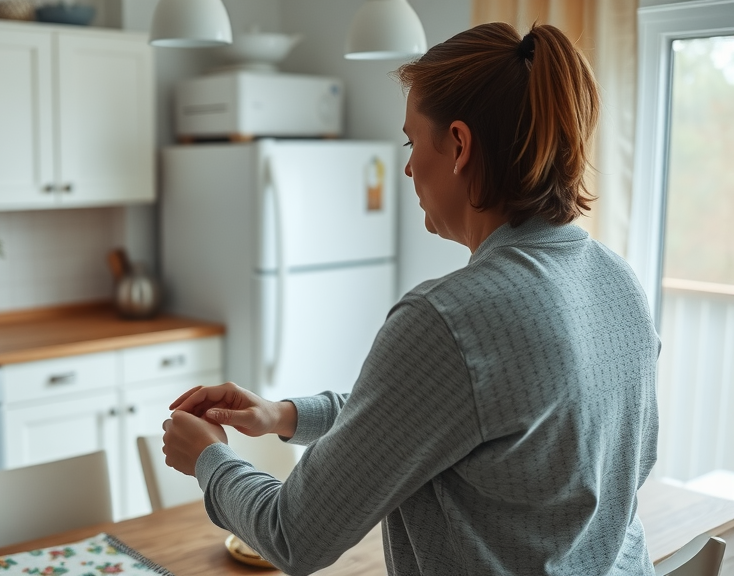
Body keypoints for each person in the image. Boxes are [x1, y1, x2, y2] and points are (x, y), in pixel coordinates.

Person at [161, 21, 660, 576]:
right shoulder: (620, 283)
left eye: (411, 140)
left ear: (459, 146)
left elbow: (293, 535)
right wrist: (284, 415)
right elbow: (437, 415)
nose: (405, 166)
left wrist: (209, 459)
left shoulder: (450, 318)